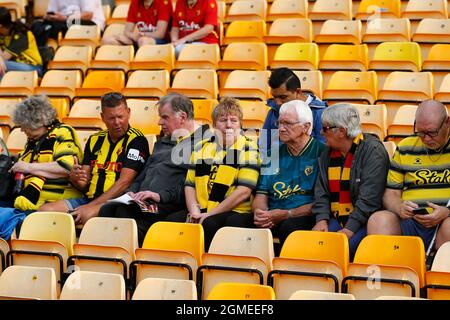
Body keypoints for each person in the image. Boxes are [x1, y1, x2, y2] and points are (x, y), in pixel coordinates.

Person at [98, 93, 209, 245]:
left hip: (169, 202)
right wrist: (131, 191)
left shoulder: (205, 143)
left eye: (164, 117)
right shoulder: (163, 141)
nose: (159, 122)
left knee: (125, 215)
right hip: (143, 200)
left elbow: (191, 185)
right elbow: (144, 172)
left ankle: (129, 259)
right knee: (108, 209)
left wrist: (159, 195)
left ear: (182, 117)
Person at [39, 92, 150, 225]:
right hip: (89, 199)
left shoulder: (137, 140)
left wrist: (91, 207)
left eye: (120, 116)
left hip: (117, 202)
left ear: (128, 112)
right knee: (44, 212)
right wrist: (74, 177)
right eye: (111, 118)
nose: (117, 122)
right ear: (102, 117)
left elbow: (124, 182)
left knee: (83, 216)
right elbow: (84, 183)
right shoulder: (94, 140)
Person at [368, 99, 450, 251]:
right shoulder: (406, 147)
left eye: (432, 132)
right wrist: (399, 206)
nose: (426, 139)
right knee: (379, 220)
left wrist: (446, 212)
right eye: (420, 132)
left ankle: (439, 271)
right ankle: (393, 271)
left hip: (445, 222)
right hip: (410, 221)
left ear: (447, 123)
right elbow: (391, 193)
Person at [312, 103, 390, 258]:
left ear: (341, 131)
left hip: (363, 221)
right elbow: (321, 191)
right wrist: (321, 219)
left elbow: (370, 199)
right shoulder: (327, 154)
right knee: (314, 249)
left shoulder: (373, 151)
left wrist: (349, 229)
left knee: (337, 252)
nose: (321, 132)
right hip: (335, 219)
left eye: (325, 128)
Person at [0, 95, 83, 239]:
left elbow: (66, 167)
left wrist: (28, 167)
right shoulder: (33, 141)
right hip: (27, 197)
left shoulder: (63, 132)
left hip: (55, 198)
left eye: (24, 125)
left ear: (39, 122)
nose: (21, 130)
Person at [185, 97, 260, 250]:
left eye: (234, 120)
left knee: (209, 224)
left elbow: (243, 191)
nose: (228, 125)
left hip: (236, 210)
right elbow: (189, 184)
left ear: (240, 125)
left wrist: (209, 214)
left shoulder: (248, 148)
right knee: (172, 220)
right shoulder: (202, 147)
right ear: (213, 124)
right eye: (223, 120)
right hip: (203, 208)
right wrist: (194, 212)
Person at [253, 100, 325, 246]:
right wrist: (261, 213)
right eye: (279, 123)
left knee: (289, 227)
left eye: (287, 123)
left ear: (306, 127)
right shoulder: (272, 154)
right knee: (235, 222)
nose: (281, 128)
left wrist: (288, 214)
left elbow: (322, 203)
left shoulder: (323, 154)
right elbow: (261, 194)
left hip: (304, 214)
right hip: (272, 215)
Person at [259, 67, 327, 157]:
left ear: (298, 92)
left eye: (283, 97)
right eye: (274, 97)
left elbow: (323, 150)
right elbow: (264, 146)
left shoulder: (320, 113)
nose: (278, 102)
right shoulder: (273, 112)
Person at [32, 0, 105, 47]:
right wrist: (48, 17)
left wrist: (64, 18)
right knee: (37, 25)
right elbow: (51, 12)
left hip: (90, 24)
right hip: (63, 22)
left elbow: (88, 15)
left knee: (60, 25)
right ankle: (42, 50)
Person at [101, 0, 172, 46]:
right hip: (139, 39)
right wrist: (133, 38)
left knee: (143, 41)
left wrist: (141, 36)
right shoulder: (135, 2)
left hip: (161, 42)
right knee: (107, 40)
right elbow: (127, 31)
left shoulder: (164, 2)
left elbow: (160, 34)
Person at [0, 7, 43, 77]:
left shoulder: (22, 34)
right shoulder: (2, 34)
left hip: (33, 68)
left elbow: (4, 57)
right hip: (13, 65)